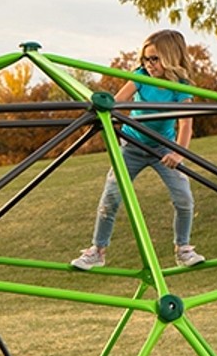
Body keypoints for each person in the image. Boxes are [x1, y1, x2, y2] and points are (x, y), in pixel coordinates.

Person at [71, 30, 206, 270]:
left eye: (155, 59)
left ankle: (183, 249)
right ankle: (97, 251)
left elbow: (186, 124)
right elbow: (116, 104)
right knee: (111, 196)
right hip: (132, 145)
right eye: (146, 59)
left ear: (171, 56)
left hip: (163, 148)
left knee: (184, 198)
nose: (149, 64)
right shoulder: (141, 76)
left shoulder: (180, 87)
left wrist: (178, 154)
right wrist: (108, 120)